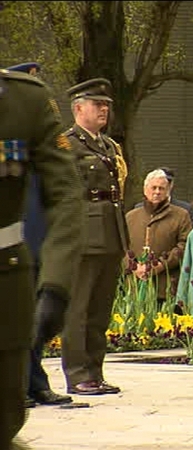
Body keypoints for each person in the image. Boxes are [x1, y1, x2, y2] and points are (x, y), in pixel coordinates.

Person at [0, 65, 83, 449]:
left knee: (4, 418)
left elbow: (65, 197)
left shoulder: (24, 100)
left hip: (5, 281)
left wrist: (56, 285)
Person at [61, 78, 129, 396]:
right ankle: (77, 374)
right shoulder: (66, 144)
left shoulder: (109, 146)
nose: (104, 110)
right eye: (97, 105)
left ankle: (95, 371)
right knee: (79, 308)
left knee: (100, 308)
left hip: (110, 232)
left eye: (106, 106)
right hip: (83, 235)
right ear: (78, 109)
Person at [124, 169, 192, 307]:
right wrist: (134, 266)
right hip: (135, 289)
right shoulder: (131, 217)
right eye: (153, 187)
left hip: (166, 288)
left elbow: (185, 245)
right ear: (145, 190)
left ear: (168, 191)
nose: (157, 192)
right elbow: (121, 246)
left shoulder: (181, 215)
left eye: (161, 188)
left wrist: (161, 265)